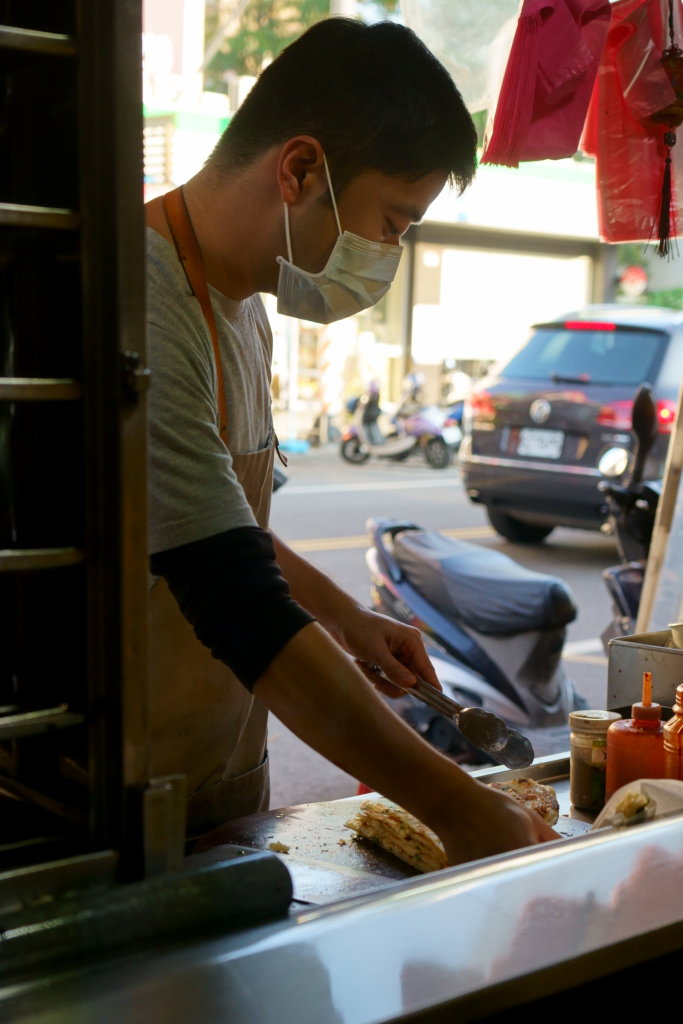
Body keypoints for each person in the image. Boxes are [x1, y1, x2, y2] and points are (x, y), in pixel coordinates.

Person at [144, 16, 559, 864]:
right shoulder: (143, 299)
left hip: (216, 787)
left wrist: (343, 617)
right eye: (394, 222)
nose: (390, 252)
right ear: (299, 169)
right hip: (122, 803)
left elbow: (223, 524)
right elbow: (234, 596)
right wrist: (464, 809)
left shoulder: (244, 309)